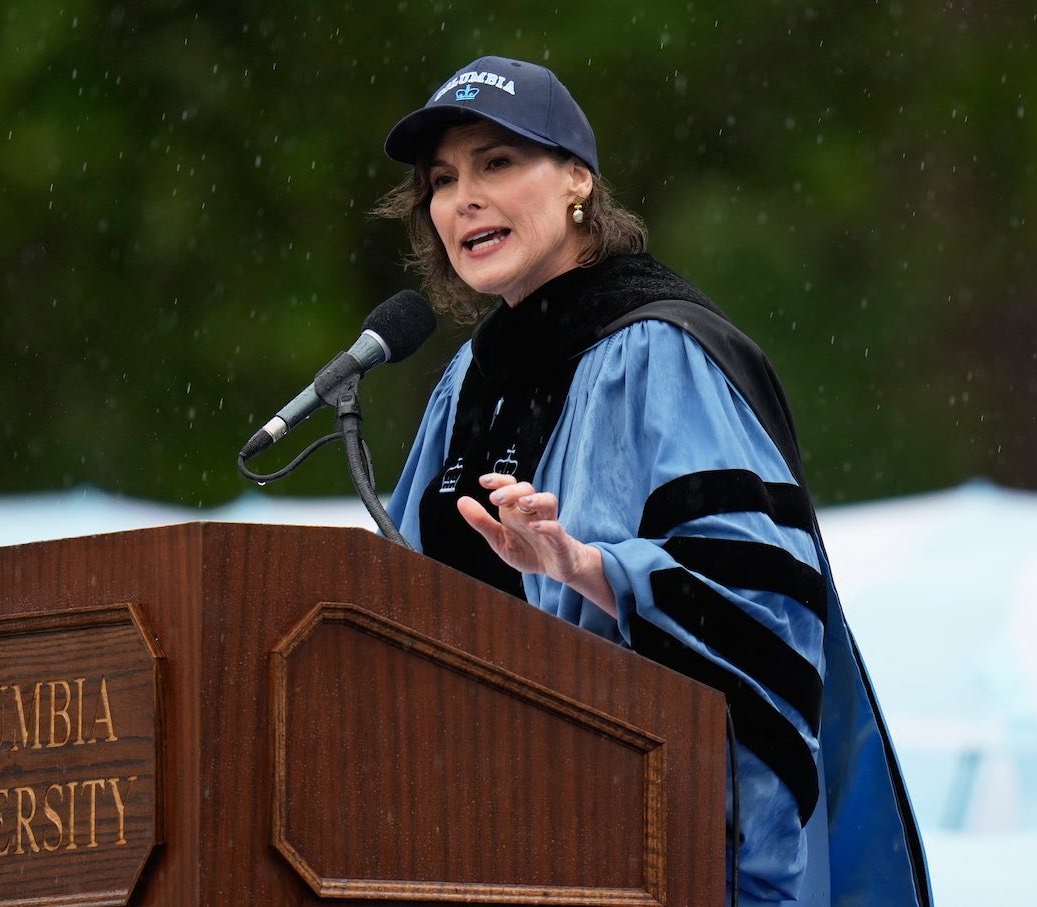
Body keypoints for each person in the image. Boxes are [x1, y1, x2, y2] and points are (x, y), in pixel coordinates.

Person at [377, 56, 932, 906]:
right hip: (473, 839)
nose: (464, 198)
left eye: (496, 163)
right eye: (442, 181)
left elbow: (763, 604)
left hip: (637, 850)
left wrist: (588, 568)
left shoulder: (660, 350)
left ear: (577, 182)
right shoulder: (468, 382)